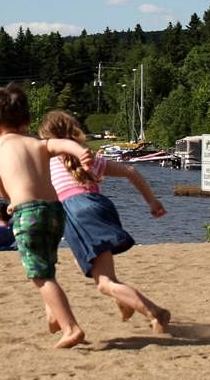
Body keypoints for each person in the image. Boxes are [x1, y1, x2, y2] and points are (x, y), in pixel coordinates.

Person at [38, 110, 171, 333]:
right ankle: (125, 302)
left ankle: (155, 312)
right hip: (100, 206)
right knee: (105, 274)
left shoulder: (47, 164)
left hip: (77, 213)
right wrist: (151, 201)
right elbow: (130, 171)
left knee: (104, 283)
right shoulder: (91, 160)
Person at [0, 83, 94, 348]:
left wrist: (11, 201)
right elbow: (61, 143)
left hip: (28, 213)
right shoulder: (38, 143)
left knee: (39, 274)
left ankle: (71, 327)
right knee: (47, 264)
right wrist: (81, 152)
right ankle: (53, 316)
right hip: (55, 212)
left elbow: (1, 187)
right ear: (28, 120)